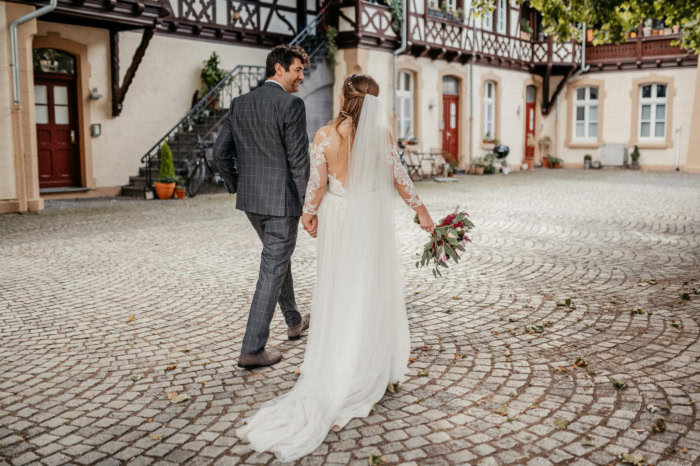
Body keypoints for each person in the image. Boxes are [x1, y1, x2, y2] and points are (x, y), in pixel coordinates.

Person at [236, 74, 435, 462]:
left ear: (344, 97)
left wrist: (309, 214)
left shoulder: (326, 135)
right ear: (373, 102)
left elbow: (316, 182)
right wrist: (422, 212)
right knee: (369, 285)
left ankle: (337, 357)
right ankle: (368, 358)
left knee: (339, 287)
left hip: (339, 218)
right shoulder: (381, 137)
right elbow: (400, 178)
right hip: (369, 221)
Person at [213, 44, 312, 369]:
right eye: (298, 69)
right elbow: (300, 162)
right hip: (282, 204)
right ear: (279, 69)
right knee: (273, 267)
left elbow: (219, 153)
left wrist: (237, 184)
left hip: (253, 202)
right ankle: (253, 349)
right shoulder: (291, 105)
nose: (302, 76)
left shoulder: (241, 103)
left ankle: (294, 321)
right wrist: (308, 206)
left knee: (276, 259)